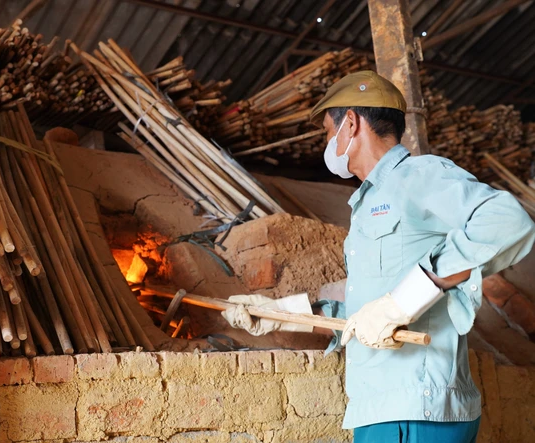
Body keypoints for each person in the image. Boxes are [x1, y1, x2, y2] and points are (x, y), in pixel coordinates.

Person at [223, 71, 535, 443]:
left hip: (418, 412)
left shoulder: (418, 175)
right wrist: (276, 314)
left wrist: (406, 300)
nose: (327, 142)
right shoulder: (367, 203)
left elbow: (508, 221)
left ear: (350, 123)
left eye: (327, 130)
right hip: (382, 409)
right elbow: (366, 315)